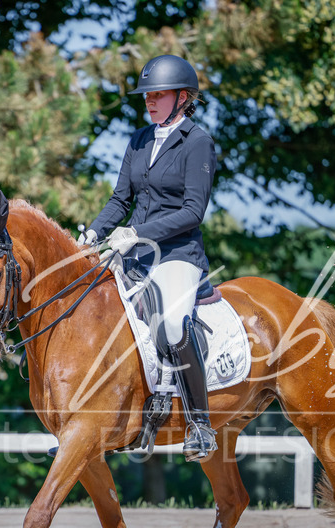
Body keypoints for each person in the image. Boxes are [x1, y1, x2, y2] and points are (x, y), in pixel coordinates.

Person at [78, 54, 218, 461]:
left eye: (157, 95)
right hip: (133, 254)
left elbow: (194, 210)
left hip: (177, 254)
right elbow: (120, 198)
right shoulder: (139, 139)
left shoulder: (197, 142)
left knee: (172, 323)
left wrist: (137, 232)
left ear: (183, 97)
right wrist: (92, 232)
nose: (149, 102)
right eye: (147, 96)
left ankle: (200, 425)